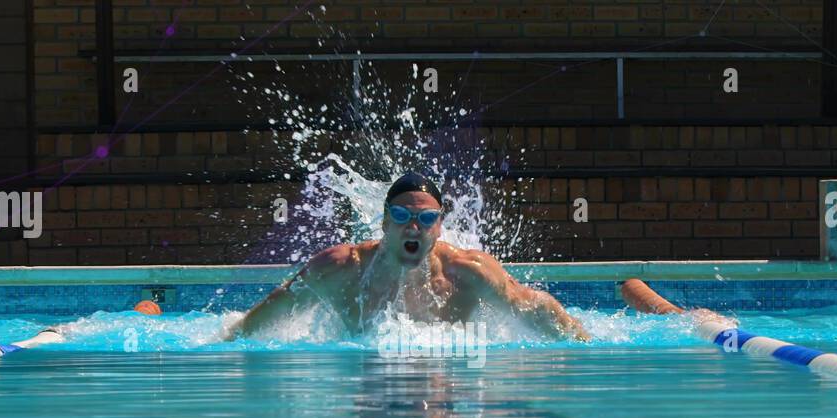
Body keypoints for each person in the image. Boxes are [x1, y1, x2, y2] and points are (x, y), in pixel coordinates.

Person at [226, 172, 591, 341]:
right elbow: (277, 306)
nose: (413, 227)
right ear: (385, 221)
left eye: (426, 218)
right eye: (401, 216)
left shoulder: (469, 271)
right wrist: (227, 343)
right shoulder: (341, 267)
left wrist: (583, 343)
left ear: (439, 227)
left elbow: (530, 305)